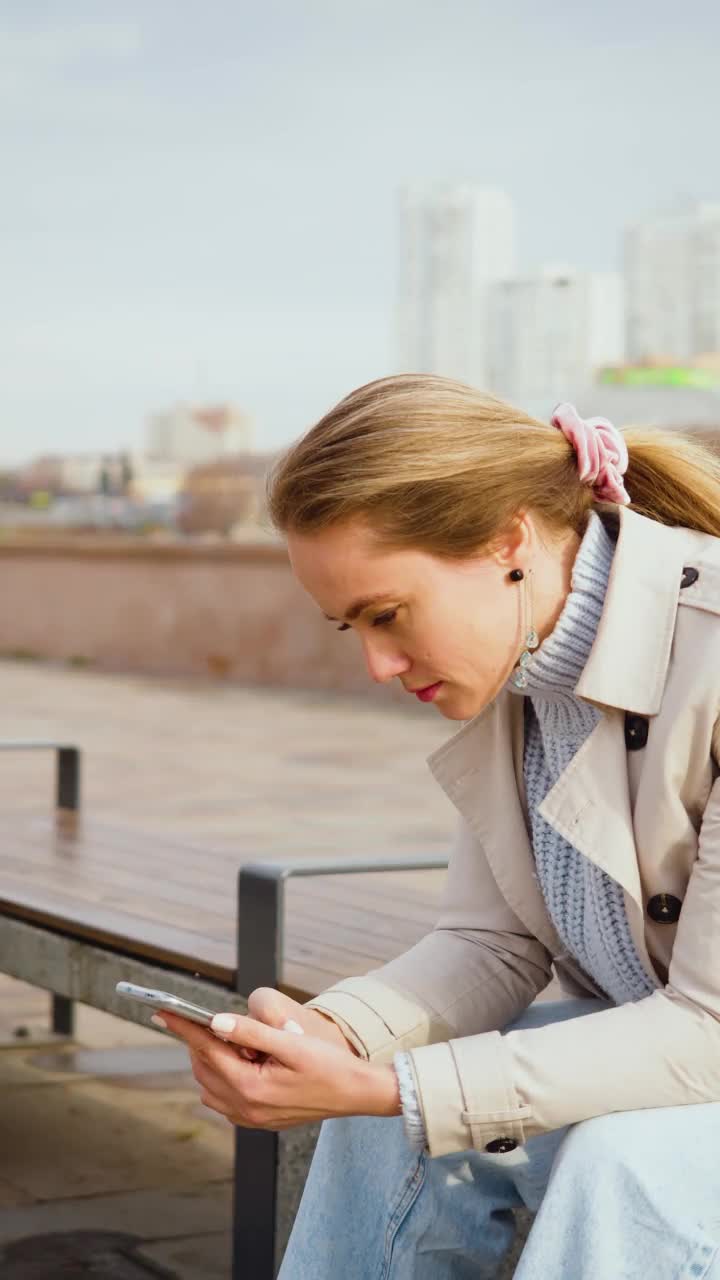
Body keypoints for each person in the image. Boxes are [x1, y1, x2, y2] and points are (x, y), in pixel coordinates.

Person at [162, 375, 720, 1278]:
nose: (378, 664)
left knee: (620, 1168)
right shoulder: (521, 665)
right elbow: (490, 941)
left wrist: (396, 1085)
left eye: (388, 615)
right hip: (675, 1065)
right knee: (376, 1133)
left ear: (510, 539)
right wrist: (335, 1038)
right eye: (352, 628)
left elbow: (709, 1026)